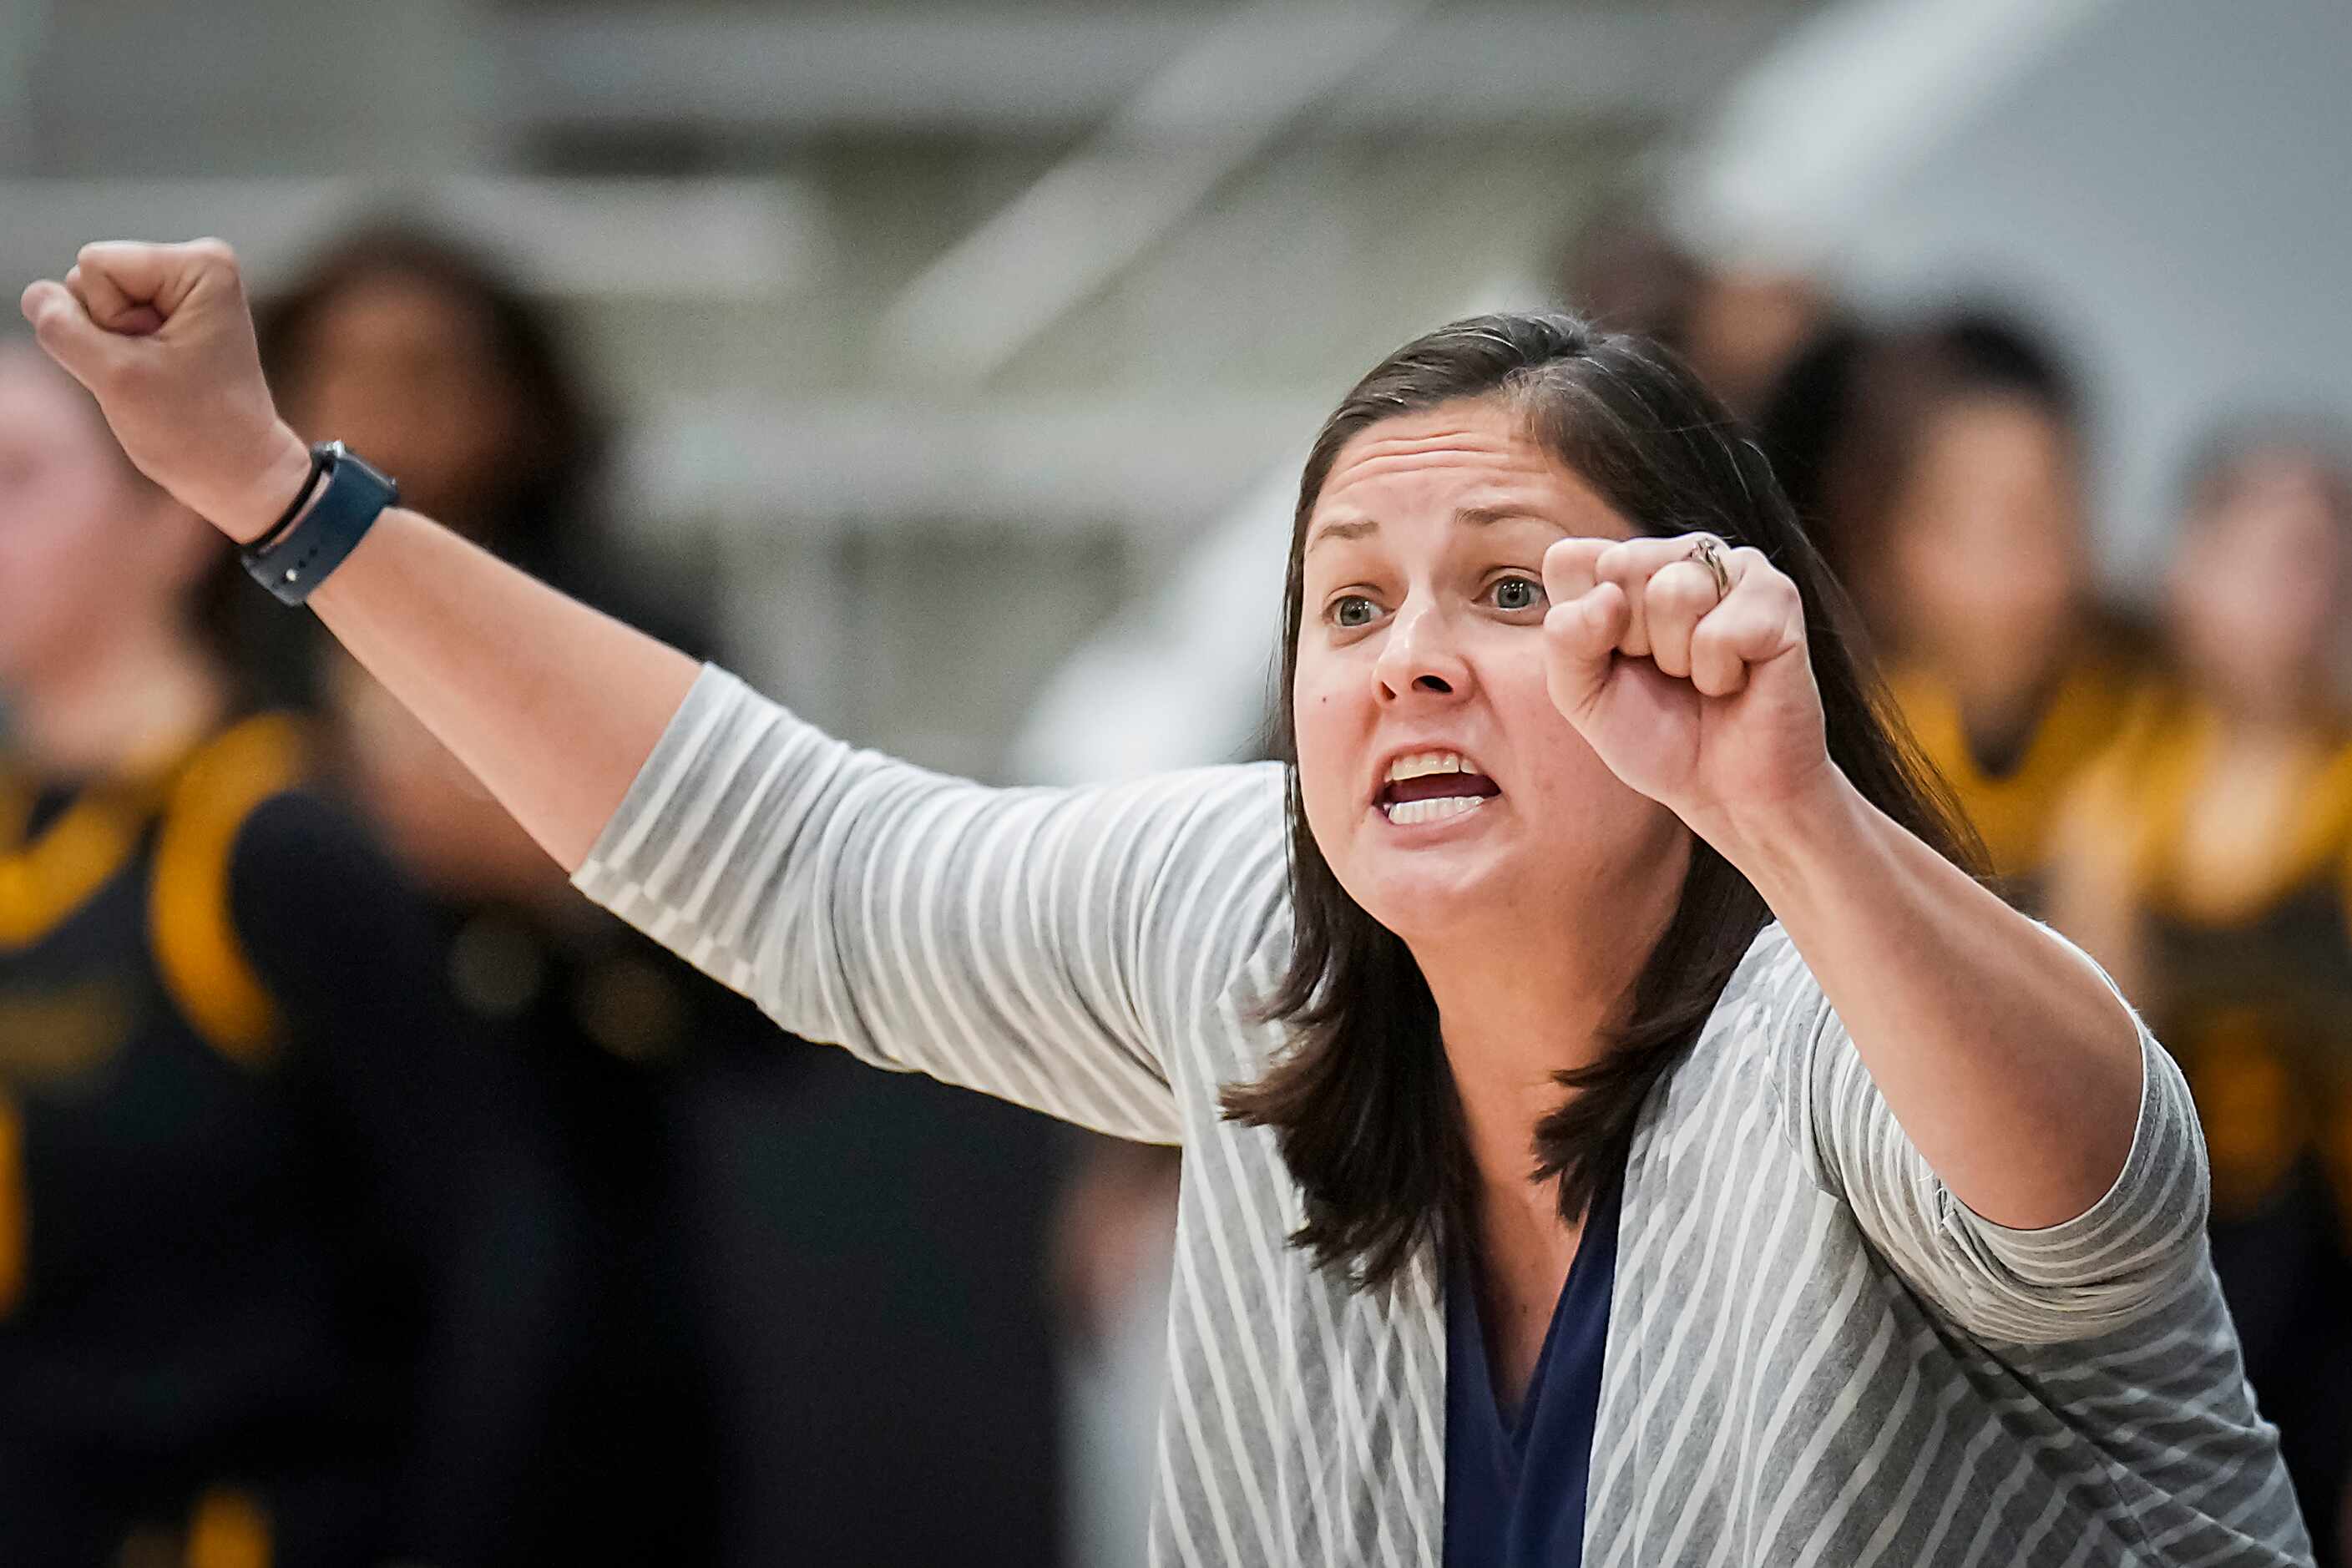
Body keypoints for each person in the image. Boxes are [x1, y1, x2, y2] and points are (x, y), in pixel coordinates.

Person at [20, 240, 2311, 1565]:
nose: (1406, 643)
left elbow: (2095, 1187)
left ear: (1696, 633)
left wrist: (1802, 816)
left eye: (1508, 585)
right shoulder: (1246, 902)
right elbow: (797, 850)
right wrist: (272, 492)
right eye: (1347, 599)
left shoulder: (1847, 991)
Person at [251, 223, 1071, 1566]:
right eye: (341, 369)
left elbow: (785, 967)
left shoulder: (627, 640)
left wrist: (561, 878)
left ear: (519, 401)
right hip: (297, 1259)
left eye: (429, 368)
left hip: (575, 1231)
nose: (385, 407)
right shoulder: (235, 652)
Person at [0, 327, 559, 1565]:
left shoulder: (275, 841)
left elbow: (484, 1253)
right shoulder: (24, 828)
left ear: (170, 522)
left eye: (20, 476)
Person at [2048, 425, 2352, 1567]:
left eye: (2321, 557)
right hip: (2176, 1255)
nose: (2299, 588)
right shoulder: (2117, 794)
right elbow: (2095, 1073)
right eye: (2264, 554)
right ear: (2186, 570)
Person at [1805, 314, 2160, 903]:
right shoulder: (1842, 760)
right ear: (1887, 545)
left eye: (2059, 514)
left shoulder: (2151, 730)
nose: (2039, 570)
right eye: (1992, 526)